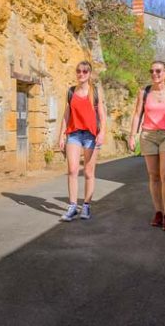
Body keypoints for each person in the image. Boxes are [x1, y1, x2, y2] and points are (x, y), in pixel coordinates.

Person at [128, 61, 165, 231]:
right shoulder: (144, 92)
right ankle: (158, 212)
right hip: (148, 136)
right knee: (153, 176)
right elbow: (137, 114)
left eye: (158, 71)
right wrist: (132, 136)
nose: (155, 74)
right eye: (151, 71)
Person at [57, 60, 107, 221]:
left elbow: (102, 115)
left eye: (85, 71)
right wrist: (61, 135)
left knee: (88, 172)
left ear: (90, 74)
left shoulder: (96, 91)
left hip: (91, 136)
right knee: (72, 170)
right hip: (74, 135)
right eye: (79, 71)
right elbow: (66, 115)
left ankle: (86, 205)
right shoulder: (71, 91)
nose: (81, 74)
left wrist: (102, 133)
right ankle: (72, 206)